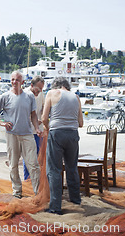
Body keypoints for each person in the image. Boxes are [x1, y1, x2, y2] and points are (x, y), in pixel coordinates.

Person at [0, 71, 42, 199]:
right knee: (13, 164)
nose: (14, 82)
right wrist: (0, 122)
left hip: (27, 134)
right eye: (12, 80)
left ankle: (38, 192)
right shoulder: (5, 96)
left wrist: (37, 128)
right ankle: (17, 191)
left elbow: (33, 114)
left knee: (33, 164)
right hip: (12, 135)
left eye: (17, 80)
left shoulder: (29, 96)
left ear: (22, 82)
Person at [42, 77, 84, 215]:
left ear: (55, 86)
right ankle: (75, 200)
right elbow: (81, 123)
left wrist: (49, 128)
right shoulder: (76, 97)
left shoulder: (51, 93)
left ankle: (55, 206)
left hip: (57, 133)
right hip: (72, 134)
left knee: (54, 169)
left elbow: (44, 118)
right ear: (67, 86)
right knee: (72, 167)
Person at [23, 76, 45, 180]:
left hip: (38, 130)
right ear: (31, 85)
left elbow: (44, 107)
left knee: (38, 156)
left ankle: (37, 179)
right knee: (28, 157)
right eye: (38, 89)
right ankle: (27, 179)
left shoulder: (41, 94)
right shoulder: (24, 95)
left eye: (41, 89)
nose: (39, 91)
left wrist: (43, 118)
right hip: (27, 131)